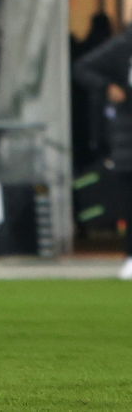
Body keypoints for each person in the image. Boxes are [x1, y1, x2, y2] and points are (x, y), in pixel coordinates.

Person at [73, 24, 132, 280]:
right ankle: (131, 256)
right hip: (128, 138)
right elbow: (82, 67)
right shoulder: (121, 47)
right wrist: (107, 86)